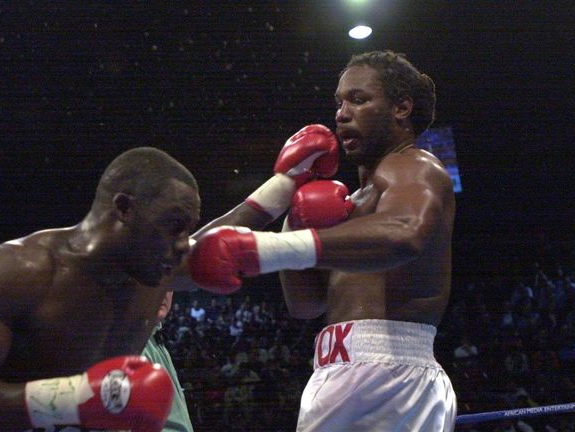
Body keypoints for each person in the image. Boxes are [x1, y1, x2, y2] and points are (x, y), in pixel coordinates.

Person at [0, 137, 338, 431]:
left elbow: (216, 242)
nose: (180, 246)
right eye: (173, 227)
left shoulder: (151, 267)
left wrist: (284, 185)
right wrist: (77, 397)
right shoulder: (22, 270)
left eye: (185, 230)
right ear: (123, 209)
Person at [189, 50, 457, 431]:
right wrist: (293, 215)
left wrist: (263, 249)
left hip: (390, 372)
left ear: (401, 108)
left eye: (359, 100)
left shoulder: (415, 165)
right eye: (340, 102)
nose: (341, 114)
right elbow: (306, 303)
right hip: (337, 368)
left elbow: (404, 233)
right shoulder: (349, 204)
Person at [142, 291, 193, 432]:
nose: (163, 293)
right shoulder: (132, 345)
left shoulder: (155, 338)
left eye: (169, 286)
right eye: (159, 285)